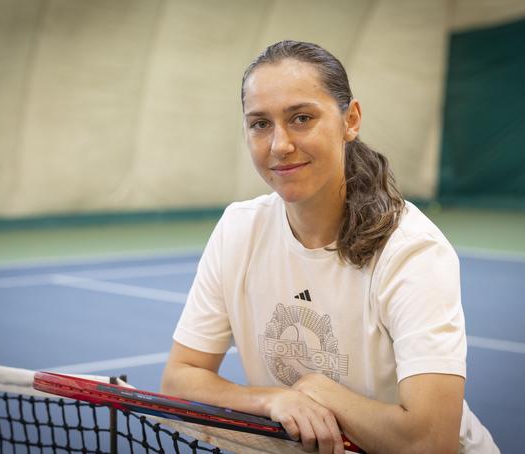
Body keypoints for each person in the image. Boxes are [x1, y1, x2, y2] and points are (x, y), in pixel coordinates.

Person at [161, 40, 498, 454]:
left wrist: (320, 390)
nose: (279, 145)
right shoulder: (238, 229)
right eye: (259, 124)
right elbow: (181, 375)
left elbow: (430, 442)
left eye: (301, 118)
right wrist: (272, 399)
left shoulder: (412, 250)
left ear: (350, 120)